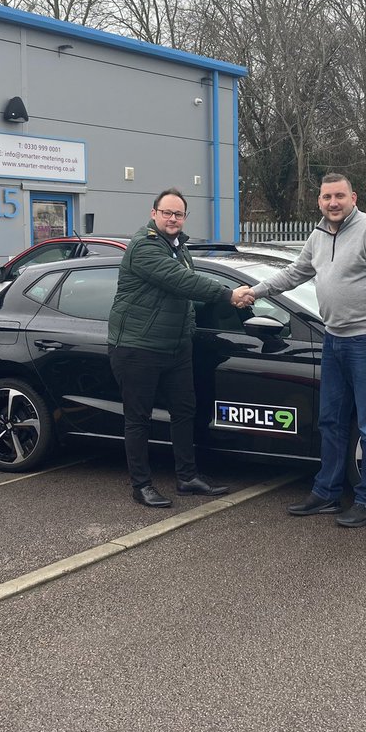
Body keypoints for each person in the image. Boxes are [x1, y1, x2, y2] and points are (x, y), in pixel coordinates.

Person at [234, 173, 366, 528]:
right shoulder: (317, 235)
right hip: (333, 340)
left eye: (339, 196)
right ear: (319, 201)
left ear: (353, 197)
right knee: (330, 421)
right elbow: (294, 273)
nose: (333, 202)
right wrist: (256, 290)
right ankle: (327, 492)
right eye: (327, 196)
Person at [108, 188, 245, 508]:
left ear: (184, 218)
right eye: (167, 213)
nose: (173, 219)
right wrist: (229, 295)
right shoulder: (143, 247)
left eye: (178, 214)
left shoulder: (179, 247)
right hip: (138, 346)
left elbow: (185, 295)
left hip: (175, 347)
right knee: (137, 419)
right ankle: (141, 485)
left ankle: (187, 477)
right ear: (153, 214)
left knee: (184, 412)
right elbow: (180, 281)